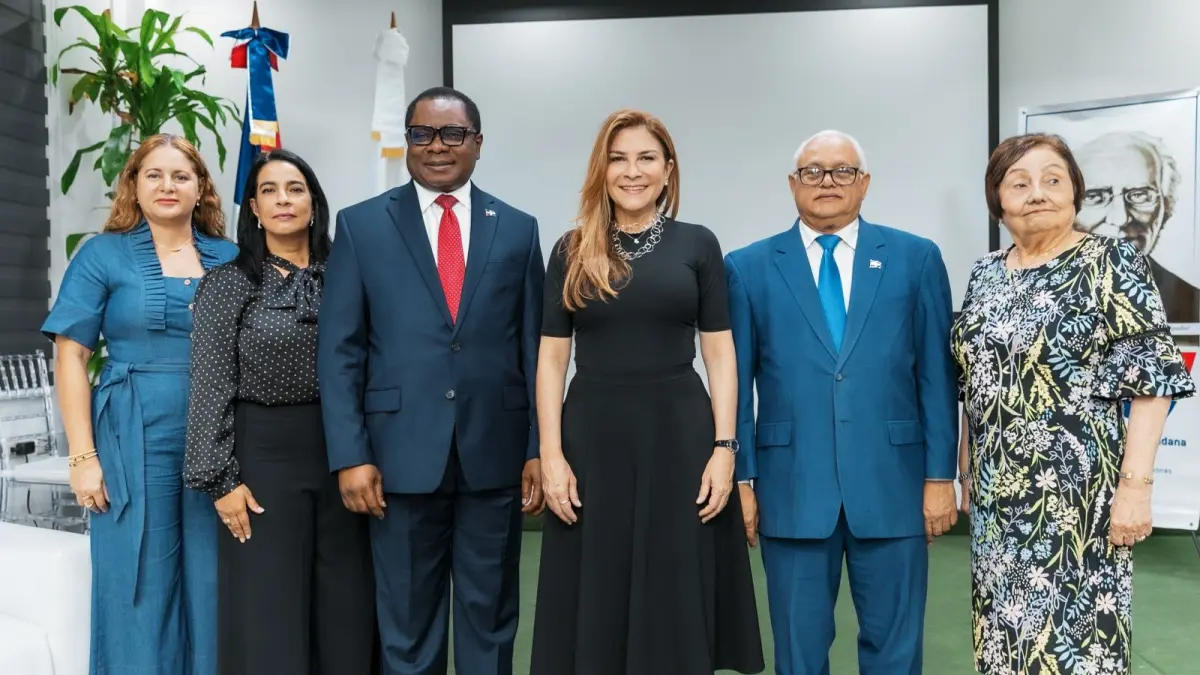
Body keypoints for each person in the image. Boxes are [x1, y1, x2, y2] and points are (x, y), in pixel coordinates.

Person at [317, 86, 545, 675]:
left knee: (489, 621)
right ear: (406, 142)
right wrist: (349, 455)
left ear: (477, 143)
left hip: (492, 457)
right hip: (395, 461)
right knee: (408, 631)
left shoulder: (518, 230)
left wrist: (536, 449)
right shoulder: (362, 226)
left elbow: (532, 348)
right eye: (422, 134)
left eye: (452, 134)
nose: (437, 146)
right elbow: (340, 352)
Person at [530, 109, 765, 675]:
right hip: (592, 437)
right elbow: (552, 358)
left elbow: (720, 353)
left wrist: (725, 449)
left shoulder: (698, 244)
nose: (631, 171)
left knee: (675, 577)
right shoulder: (570, 248)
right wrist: (553, 456)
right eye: (618, 159)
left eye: (646, 158)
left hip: (681, 436)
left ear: (667, 170)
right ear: (601, 170)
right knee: (598, 582)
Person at [952, 133, 1196, 675]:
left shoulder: (1113, 262)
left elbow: (1151, 383)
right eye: (1020, 182)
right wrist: (967, 467)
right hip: (997, 500)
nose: (1037, 193)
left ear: (1075, 193)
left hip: (1079, 501)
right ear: (998, 200)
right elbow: (974, 378)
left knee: (1077, 647)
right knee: (1003, 642)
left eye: (1052, 180)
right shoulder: (985, 273)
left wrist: (1135, 490)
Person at [724, 130, 959, 675]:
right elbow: (734, 385)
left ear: (865, 182)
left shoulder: (916, 258)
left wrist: (939, 476)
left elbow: (936, 376)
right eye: (813, 171)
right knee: (799, 652)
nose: (827, 182)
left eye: (842, 171)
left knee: (895, 649)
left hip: (894, 484)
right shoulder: (748, 267)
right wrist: (743, 479)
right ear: (792, 184)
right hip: (792, 489)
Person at [42, 134, 238, 674]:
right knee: (140, 579)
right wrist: (82, 457)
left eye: (181, 176)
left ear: (201, 189)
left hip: (223, 441)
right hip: (132, 436)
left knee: (214, 578)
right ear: (134, 185)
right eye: (154, 175)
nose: (168, 185)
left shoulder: (234, 258)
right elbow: (71, 355)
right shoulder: (102, 254)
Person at [183, 149, 376, 674]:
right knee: (270, 607)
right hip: (262, 457)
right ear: (254, 209)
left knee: (347, 604)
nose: (283, 200)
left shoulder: (352, 274)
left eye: (295, 188)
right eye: (269, 190)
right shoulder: (228, 284)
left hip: (345, 452)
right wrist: (221, 481)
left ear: (315, 204)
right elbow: (209, 383)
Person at [1072, 130, 1200, 323]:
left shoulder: (1190, 301)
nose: (1121, 218)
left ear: (1166, 205)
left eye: (1140, 195)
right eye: (1095, 197)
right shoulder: (1042, 295)